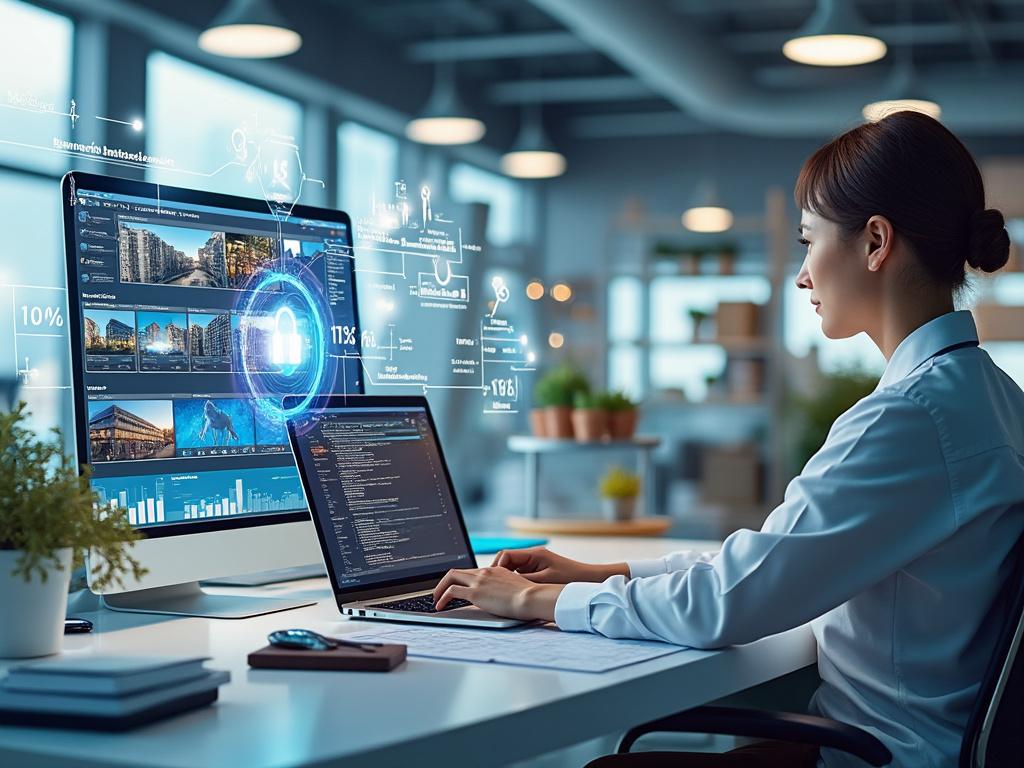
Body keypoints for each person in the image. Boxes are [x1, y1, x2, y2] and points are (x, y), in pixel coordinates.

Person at [433, 111, 1024, 768]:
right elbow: (768, 563)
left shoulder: (908, 419)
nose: (802, 275)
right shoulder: (992, 399)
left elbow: (729, 603)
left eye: (808, 241)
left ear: (875, 242)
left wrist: (540, 601)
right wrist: (605, 572)